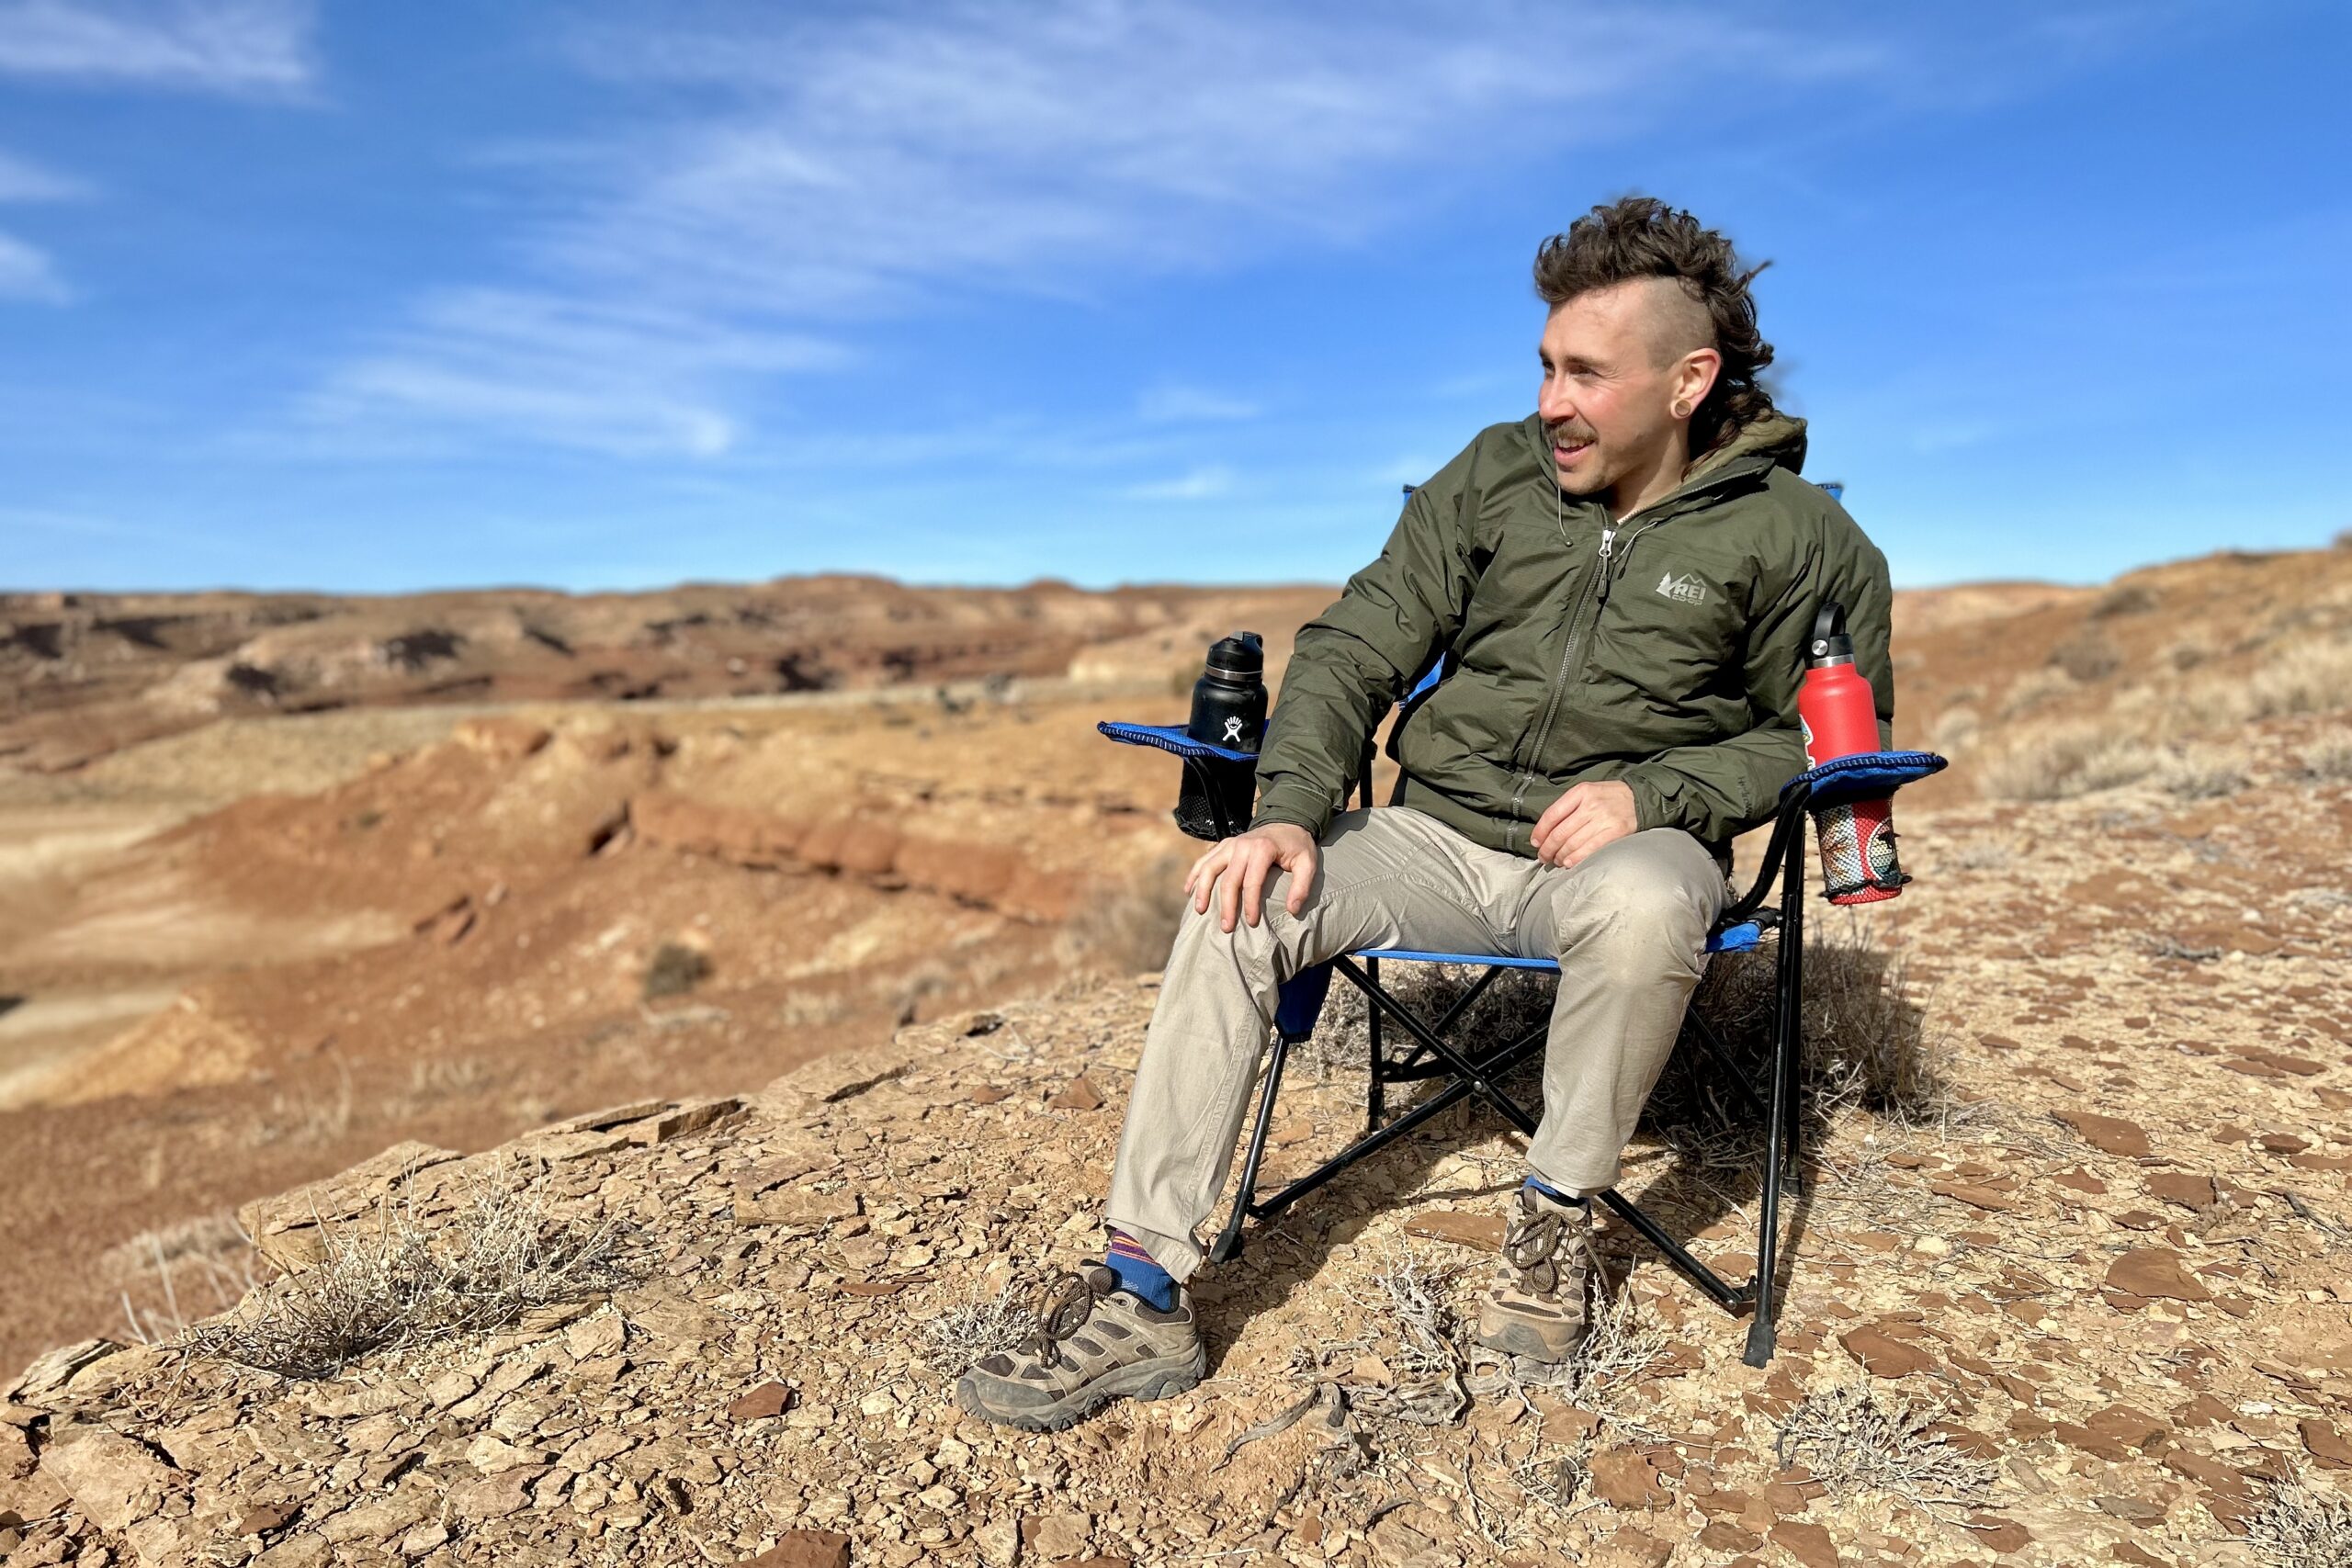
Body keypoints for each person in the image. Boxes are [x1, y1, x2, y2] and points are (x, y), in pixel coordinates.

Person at [957, 197, 1894, 1431]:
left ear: (1688, 381)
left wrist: (1653, 794)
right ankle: (1145, 1296)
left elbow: (1823, 737)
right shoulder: (1494, 477)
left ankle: (1555, 1221)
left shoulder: (1808, 540)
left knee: (1658, 890)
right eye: (1546, 367)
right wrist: (1290, 812)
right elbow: (1354, 645)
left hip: (1621, 857)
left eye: (1586, 375)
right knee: (1248, 895)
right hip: (1437, 836)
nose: (1551, 401)